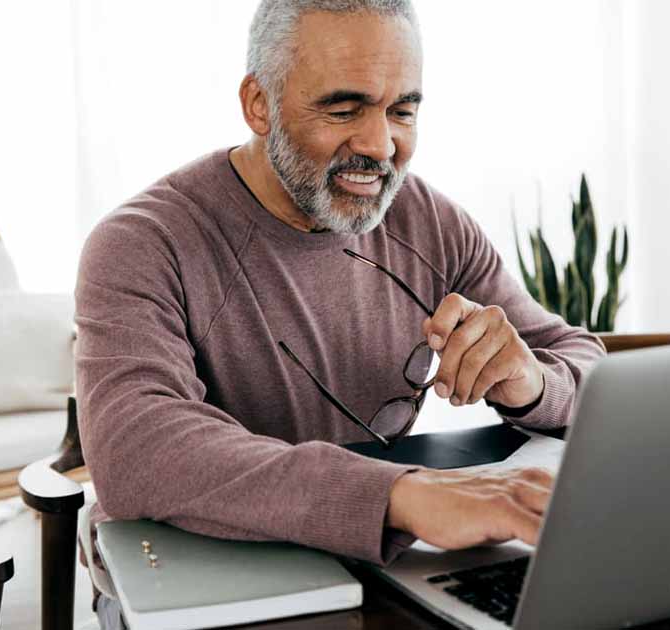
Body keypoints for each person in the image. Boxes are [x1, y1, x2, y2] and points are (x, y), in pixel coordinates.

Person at [76, 0, 605, 624]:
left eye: (402, 111)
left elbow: (585, 366)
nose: (380, 146)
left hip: (373, 562)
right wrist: (402, 496)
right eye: (344, 109)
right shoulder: (143, 241)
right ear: (258, 104)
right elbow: (137, 452)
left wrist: (532, 379)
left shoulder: (428, 220)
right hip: (193, 570)